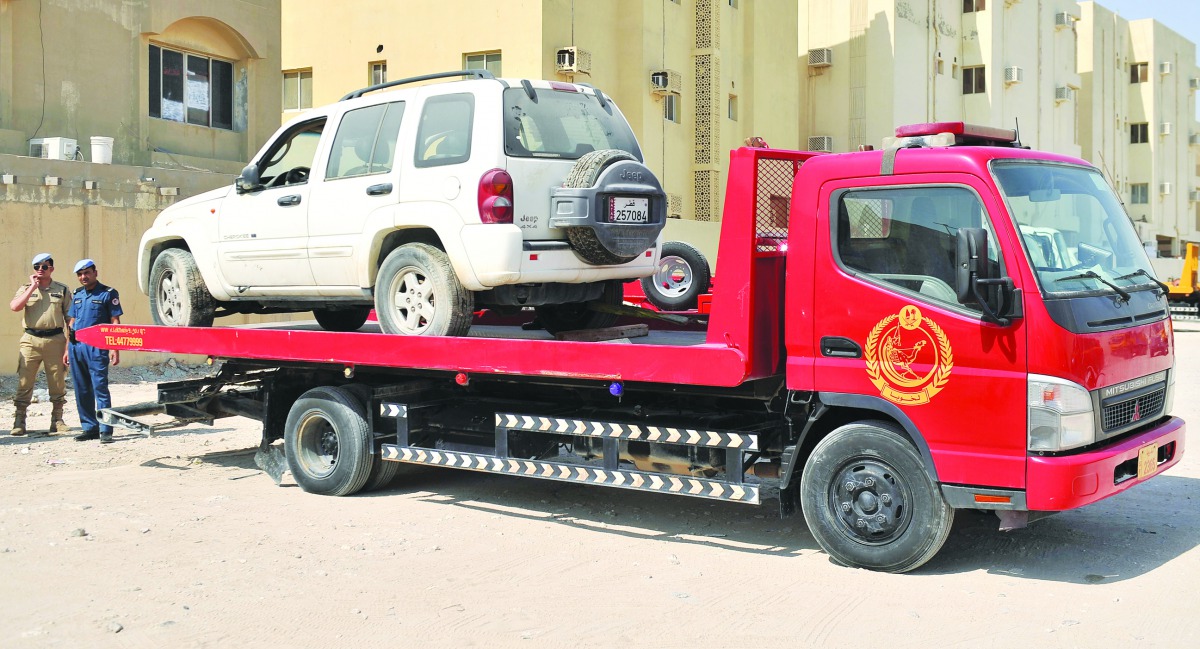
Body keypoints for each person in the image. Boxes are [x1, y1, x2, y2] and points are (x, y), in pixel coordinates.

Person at [9, 253, 71, 436]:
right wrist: (33, 287)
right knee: (25, 380)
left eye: (44, 266)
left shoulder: (62, 290)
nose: (40, 270)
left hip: (55, 339)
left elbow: (70, 320)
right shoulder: (26, 288)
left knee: (57, 380)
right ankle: (19, 421)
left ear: (52, 268)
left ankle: (57, 420)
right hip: (31, 340)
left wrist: (68, 346)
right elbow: (15, 307)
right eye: (37, 267)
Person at [64, 259, 123, 443]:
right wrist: (67, 348)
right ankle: (89, 428)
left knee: (100, 388)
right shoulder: (78, 294)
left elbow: (115, 321)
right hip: (76, 347)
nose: (83, 277)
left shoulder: (108, 293)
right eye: (80, 274)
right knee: (81, 388)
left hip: (97, 347)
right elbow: (72, 323)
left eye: (87, 273)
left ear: (95, 273)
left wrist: (115, 348)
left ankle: (106, 430)